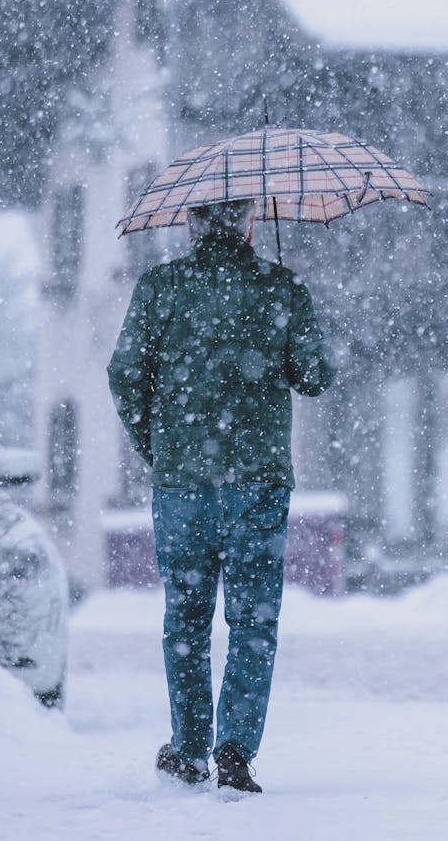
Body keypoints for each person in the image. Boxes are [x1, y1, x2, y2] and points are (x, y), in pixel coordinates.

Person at [107, 198, 335, 793]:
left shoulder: (159, 288)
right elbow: (315, 377)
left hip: (183, 485)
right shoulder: (281, 287)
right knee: (253, 620)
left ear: (192, 222)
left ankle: (187, 748)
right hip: (258, 483)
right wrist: (286, 308)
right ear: (249, 223)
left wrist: (157, 446)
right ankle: (235, 748)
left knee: (185, 618)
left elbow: (123, 373)